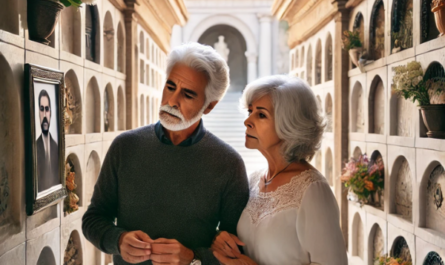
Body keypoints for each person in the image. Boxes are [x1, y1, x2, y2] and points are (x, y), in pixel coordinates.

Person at [82, 42, 250, 265]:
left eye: (187, 95)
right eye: (170, 87)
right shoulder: (125, 146)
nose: (172, 101)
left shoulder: (228, 164)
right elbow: (93, 219)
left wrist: (193, 258)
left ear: (209, 106)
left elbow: (235, 252)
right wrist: (119, 240)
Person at [211, 75, 347, 265]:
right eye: (250, 111)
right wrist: (219, 239)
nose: (247, 121)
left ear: (289, 124)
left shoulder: (313, 191)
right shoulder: (253, 181)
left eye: (261, 114)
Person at [36, 89, 59, 192]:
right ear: (38, 113)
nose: (44, 115)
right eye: (41, 109)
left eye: (47, 109)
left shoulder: (57, 147)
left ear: (51, 113)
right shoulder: (34, 147)